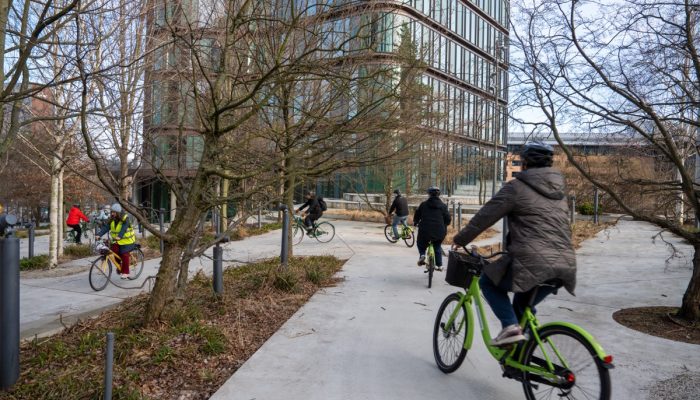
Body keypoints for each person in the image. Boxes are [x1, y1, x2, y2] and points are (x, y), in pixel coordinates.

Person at [452, 141, 576, 346]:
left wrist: (460, 239)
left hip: (532, 260)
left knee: (487, 282)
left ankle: (509, 327)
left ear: (525, 164)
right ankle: (522, 357)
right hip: (565, 264)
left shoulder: (516, 188)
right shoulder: (559, 194)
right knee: (522, 305)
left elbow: (486, 216)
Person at [413, 186, 451, 271]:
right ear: (439, 194)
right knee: (437, 246)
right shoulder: (443, 206)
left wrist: (415, 222)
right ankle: (439, 265)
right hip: (439, 231)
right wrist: (446, 223)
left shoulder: (423, 204)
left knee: (421, 243)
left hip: (425, 230)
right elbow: (448, 219)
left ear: (429, 194)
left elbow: (417, 215)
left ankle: (422, 255)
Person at [97, 203, 137, 279]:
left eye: (114, 212)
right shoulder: (112, 219)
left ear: (118, 213)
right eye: (112, 212)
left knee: (124, 254)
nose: (112, 214)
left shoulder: (125, 218)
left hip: (127, 241)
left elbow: (124, 228)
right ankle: (120, 266)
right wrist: (99, 234)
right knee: (114, 250)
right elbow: (106, 227)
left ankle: (125, 272)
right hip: (117, 240)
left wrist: (119, 236)